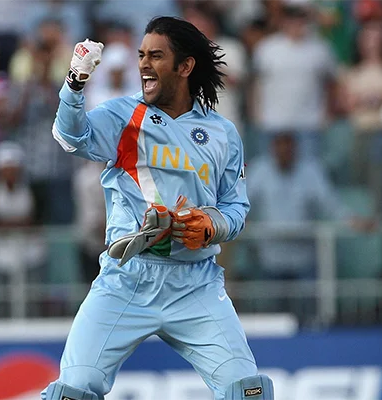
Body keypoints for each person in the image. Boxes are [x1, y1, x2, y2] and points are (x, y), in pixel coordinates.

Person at [42, 16, 273, 400]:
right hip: (127, 279)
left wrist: (211, 225)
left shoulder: (223, 133)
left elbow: (235, 207)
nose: (144, 65)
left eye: (156, 56)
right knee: (72, 392)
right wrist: (74, 84)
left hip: (195, 283)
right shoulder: (123, 115)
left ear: (185, 67)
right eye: (141, 55)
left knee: (246, 391)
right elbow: (71, 137)